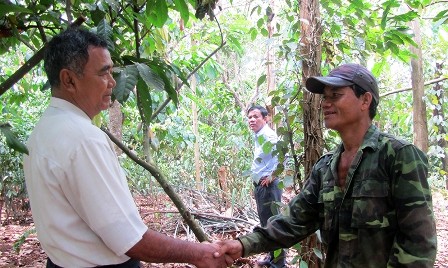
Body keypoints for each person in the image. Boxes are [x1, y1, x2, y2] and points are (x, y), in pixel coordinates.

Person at [23, 28, 231, 268]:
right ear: (69, 80)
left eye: (112, 72)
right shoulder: (83, 138)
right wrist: (199, 254)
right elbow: (129, 239)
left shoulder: (42, 131)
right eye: (103, 73)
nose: (112, 82)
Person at [220, 63, 437, 267]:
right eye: (324, 97)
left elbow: (419, 243)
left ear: (365, 100)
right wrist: (241, 245)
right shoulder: (325, 168)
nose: (325, 103)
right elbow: (293, 221)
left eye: (336, 95)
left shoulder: (398, 155)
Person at [247, 105, 285, 267]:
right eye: (249, 117)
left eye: (256, 116)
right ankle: (272, 258)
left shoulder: (269, 135)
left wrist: (273, 176)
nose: (252, 120)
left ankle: (279, 264)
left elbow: (283, 155)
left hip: (269, 187)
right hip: (261, 186)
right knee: (266, 224)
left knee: (273, 225)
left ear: (266, 118)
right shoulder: (259, 135)